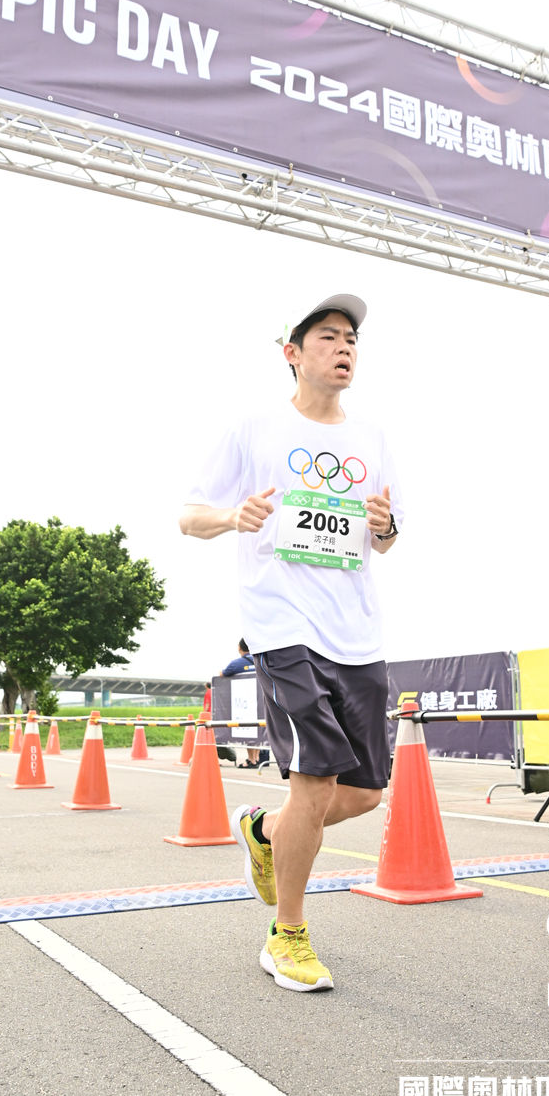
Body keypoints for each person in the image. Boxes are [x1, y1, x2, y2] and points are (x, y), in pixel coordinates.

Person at [180, 293, 401, 992]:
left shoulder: (372, 438)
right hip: (281, 627)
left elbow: (387, 538)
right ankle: (288, 936)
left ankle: (265, 831)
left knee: (363, 794)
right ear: (293, 353)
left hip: (356, 633)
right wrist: (232, 516)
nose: (344, 348)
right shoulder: (254, 428)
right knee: (316, 780)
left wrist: (385, 526)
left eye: (351, 340)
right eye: (328, 337)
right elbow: (188, 516)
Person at [220, 639, 260, 768]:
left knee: (249, 729)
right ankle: (256, 758)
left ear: (239, 648)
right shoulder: (261, 661)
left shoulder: (236, 664)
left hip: (245, 703)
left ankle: (251, 760)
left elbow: (222, 674)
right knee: (259, 728)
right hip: (263, 702)